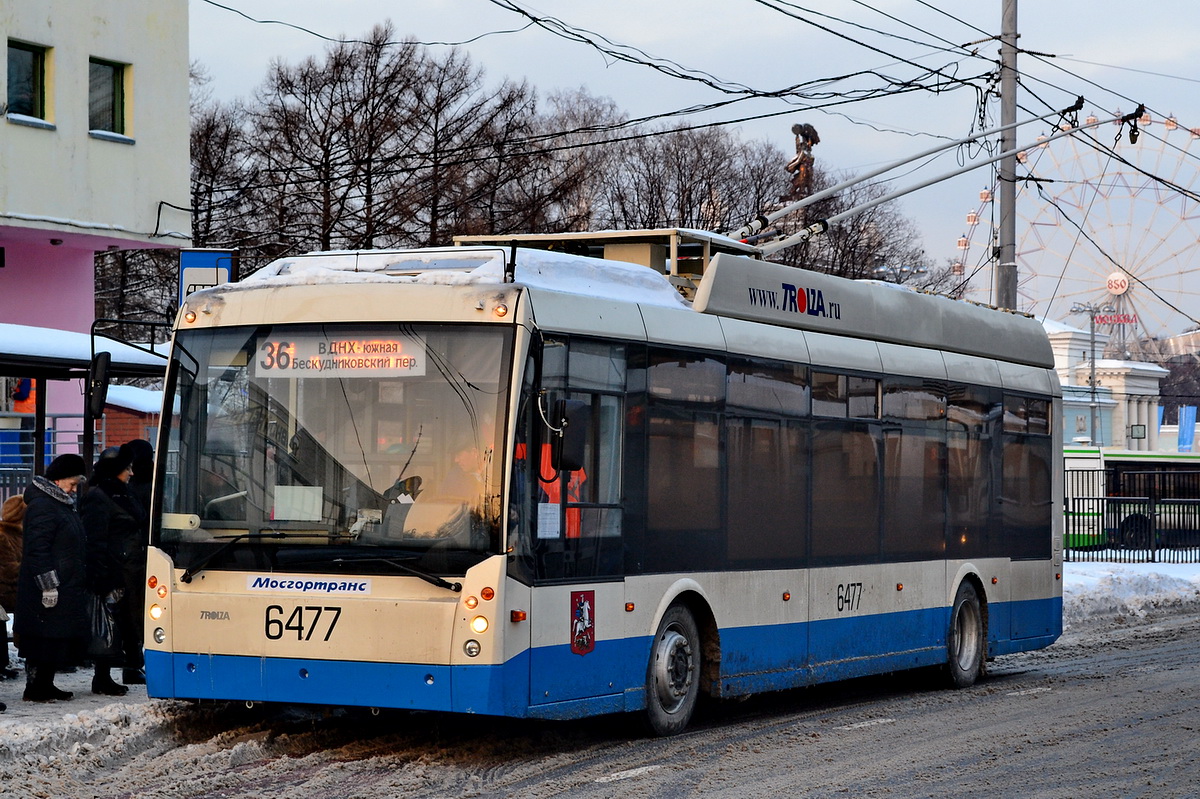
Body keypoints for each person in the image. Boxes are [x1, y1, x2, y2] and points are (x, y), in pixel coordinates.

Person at [14, 453, 89, 702]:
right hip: (46, 586)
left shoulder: (58, 504)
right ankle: (36, 686)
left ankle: (45, 684)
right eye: (73, 483)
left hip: (63, 582)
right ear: (58, 480)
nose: (74, 489)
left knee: (53, 638)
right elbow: (37, 549)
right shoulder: (44, 506)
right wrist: (48, 585)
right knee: (42, 639)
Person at [79, 444, 147, 695]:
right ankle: (102, 676)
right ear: (115, 470)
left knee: (129, 622)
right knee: (109, 624)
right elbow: (94, 539)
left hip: (131, 568)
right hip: (114, 570)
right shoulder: (99, 497)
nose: (131, 473)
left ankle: (129, 666)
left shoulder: (123, 493)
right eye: (126, 468)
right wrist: (102, 575)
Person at [118, 439, 152, 684]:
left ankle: (133, 661)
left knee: (132, 613)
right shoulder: (154, 484)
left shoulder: (128, 488)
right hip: (142, 557)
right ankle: (134, 663)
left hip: (133, 558)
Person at [0, 494, 27, 683]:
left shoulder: (20, 534)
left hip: (15, 587)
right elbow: (9, 570)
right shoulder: (3, 536)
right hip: (6, 590)